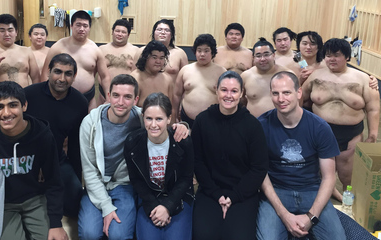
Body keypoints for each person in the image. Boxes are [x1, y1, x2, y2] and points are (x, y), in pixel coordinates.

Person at [78, 74, 189, 240]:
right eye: (116, 95)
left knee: (119, 235)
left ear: (136, 100)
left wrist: (183, 126)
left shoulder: (142, 118)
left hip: (125, 185)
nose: (121, 102)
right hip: (97, 183)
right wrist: (107, 207)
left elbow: (162, 123)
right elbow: (89, 171)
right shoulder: (90, 124)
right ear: (108, 96)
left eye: (127, 97)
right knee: (89, 234)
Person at [257, 71, 345, 240]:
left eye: (287, 92)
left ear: (298, 93)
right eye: (275, 93)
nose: (281, 99)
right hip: (276, 190)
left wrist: (311, 216)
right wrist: (284, 214)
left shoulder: (319, 127)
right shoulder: (261, 126)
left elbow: (329, 178)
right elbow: (261, 173)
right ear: (270, 95)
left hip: (311, 189)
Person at [0, 81, 67, 240]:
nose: (6, 113)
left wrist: (55, 223)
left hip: (34, 199)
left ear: (24, 106)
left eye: (13, 105)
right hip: (3, 203)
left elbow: (54, 180)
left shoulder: (42, 135)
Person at [191, 71, 269, 240]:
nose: (228, 95)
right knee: (203, 235)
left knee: (239, 237)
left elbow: (259, 168)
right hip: (210, 190)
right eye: (224, 90)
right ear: (216, 91)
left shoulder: (252, 126)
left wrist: (234, 196)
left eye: (234, 91)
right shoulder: (202, 121)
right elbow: (197, 161)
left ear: (242, 94)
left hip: (243, 193)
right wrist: (216, 194)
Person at [302, 38, 380, 201]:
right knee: (316, 172)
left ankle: (347, 205)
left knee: (347, 176)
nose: (331, 59)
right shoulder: (316, 75)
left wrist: (373, 134)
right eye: (328, 55)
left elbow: (373, 108)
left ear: (347, 57)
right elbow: (299, 97)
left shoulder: (363, 79)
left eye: (336, 55)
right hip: (318, 132)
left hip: (350, 134)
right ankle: (316, 203)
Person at [24, 53, 88, 218]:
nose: (62, 78)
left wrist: (76, 175)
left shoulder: (79, 102)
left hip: (56, 158)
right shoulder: (29, 95)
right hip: (25, 157)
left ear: (74, 77)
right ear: (48, 72)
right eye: (57, 72)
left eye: (68, 74)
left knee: (75, 199)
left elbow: (75, 144)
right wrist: (35, 164)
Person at [124, 92, 194, 240]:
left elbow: (186, 178)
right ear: (143, 117)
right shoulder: (132, 142)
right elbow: (136, 180)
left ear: (169, 118)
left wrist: (167, 206)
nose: (153, 124)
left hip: (178, 197)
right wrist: (154, 206)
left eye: (159, 119)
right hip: (150, 198)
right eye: (149, 118)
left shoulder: (182, 141)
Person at [41, 10, 110, 110]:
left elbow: (105, 77)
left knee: (89, 125)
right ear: (71, 26)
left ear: (89, 28)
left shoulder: (95, 50)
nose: (82, 29)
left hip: (88, 100)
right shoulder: (58, 47)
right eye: (78, 25)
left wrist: (109, 98)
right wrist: (46, 97)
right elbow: (45, 73)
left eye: (85, 26)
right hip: (59, 98)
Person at [173, 34, 226, 127]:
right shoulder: (185, 70)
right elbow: (176, 95)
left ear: (212, 52)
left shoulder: (221, 72)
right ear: (195, 52)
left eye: (206, 51)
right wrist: (174, 115)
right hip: (187, 121)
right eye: (199, 50)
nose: (202, 54)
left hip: (214, 121)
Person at [0, 13, 40, 89]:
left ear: (16, 32)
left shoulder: (27, 52)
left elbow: (36, 79)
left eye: (10, 30)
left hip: (23, 96)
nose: (6, 34)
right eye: (2, 30)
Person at [241, 37, 292, 117]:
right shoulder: (245, 76)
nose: (262, 59)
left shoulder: (288, 75)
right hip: (254, 124)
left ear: (274, 55)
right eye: (258, 55)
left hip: (281, 124)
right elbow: (240, 99)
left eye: (266, 54)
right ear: (253, 58)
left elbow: (297, 101)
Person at [98, 19, 139, 104]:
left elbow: (139, 75)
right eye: (117, 31)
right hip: (104, 93)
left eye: (123, 32)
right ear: (112, 32)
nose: (120, 34)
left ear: (128, 35)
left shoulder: (136, 51)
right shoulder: (101, 50)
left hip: (127, 93)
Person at [131, 40, 173, 111]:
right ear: (146, 57)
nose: (158, 61)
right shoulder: (135, 78)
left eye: (161, 58)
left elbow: (171, 107)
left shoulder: (168, 79)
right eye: (154, 57)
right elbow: (130, 108)